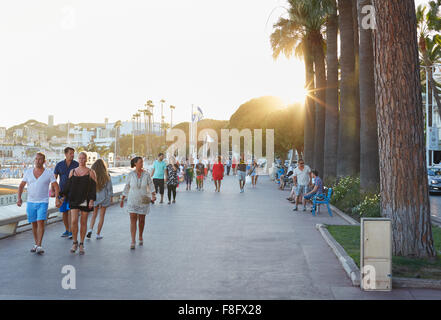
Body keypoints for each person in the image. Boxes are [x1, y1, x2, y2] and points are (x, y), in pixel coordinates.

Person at [17, 153, 61, 254]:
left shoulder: (48, 173)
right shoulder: (28, 172)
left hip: (43, 201)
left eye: (40, 159)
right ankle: (36, 243)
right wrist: (19, 198)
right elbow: (21, 186)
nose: (37, 161)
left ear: (44, 161)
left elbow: (56, 186)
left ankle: (39, 245)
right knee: (33, 223)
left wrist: (57, 198)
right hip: (30, 202)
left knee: (40, 221)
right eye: (36, 159)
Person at [61, 152, 97, 255]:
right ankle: (75, 242)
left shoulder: (91, 172)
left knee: (83, 222)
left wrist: (91, 200)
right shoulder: (72, 171)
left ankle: (81, 244)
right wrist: (62, 197)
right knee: (73, 221)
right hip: (74, 199)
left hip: (85, 199)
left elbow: (93, 188)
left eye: (83, 158)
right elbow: (67, 187)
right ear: (78, 159)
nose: (81, 160)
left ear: (86, 159)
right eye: (80, 158)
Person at [120, 157, 156, 249]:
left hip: (143, 200)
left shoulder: (146, 174)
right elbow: (127, 186)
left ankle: (140, 235)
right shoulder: (131, 175)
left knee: (141, 220)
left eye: (142, 162)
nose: (142, 164)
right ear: (135, 164)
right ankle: (133, 240)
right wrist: (122, 198)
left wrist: (153, 195)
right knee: (133, 219)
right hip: (132, 200)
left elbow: (151, 184)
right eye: (140, 162)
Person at [54, 147, 79, 239]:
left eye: (73, 153)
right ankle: (67, 230)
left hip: (73, 192)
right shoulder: (59, 165)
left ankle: (72, 231)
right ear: (66, 154)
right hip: (62, 192)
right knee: (64, 212)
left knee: (71, 212)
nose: (72, 155)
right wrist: (53, 191)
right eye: (70, 153)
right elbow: (54, 179)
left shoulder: (76, 164)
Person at [88, 159, 113, 240]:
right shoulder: (107, 175)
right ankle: (98, 234)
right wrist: (111, 197)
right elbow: (109, 188)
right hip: (104, 197)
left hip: (95, 197)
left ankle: (90, 229)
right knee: (101, 216)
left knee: (94, 215)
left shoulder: (92, 174)